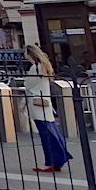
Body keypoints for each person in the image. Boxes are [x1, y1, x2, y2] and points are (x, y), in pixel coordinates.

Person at [23, 44, 71, 174]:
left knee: (46, 135)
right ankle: (57, 160)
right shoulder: (44, 67)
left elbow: (28, 86)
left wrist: (23, 102)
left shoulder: (35, 68)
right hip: (45, 104)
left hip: (37, 104)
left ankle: (52, 161)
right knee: (51, 131)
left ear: (29, 53)